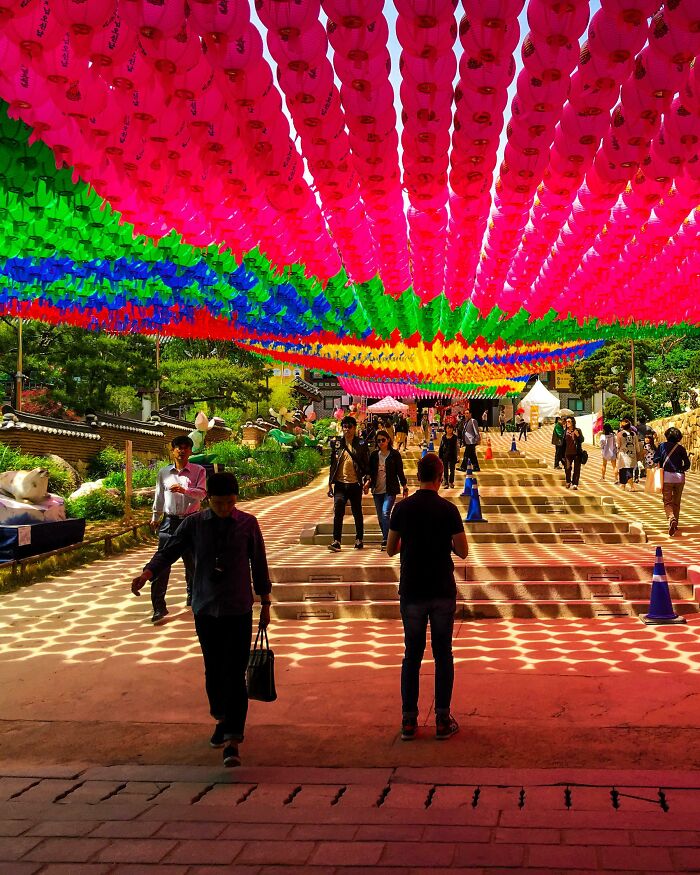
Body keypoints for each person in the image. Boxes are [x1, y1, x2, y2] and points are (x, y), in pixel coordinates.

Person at [131, 472, 271, 768]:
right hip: (206, 607)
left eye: (231, 502)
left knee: (234, 672)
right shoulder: (194, 525)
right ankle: (220, 716)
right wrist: (148, 573)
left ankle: (233, 739)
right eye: (219, 503)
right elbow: (168, 551)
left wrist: (266, 600)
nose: (225, 508)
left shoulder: (247, 523)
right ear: (209, 500)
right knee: (213, 668)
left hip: (238, 608)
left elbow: (258, 562)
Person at [387, 453, 468, 741]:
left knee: (412, 654)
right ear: (440, 474)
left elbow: (390, 548)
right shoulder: (448, 510)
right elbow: (463, 550)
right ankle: (442, 720)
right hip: (441, 588)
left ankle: (409, 720)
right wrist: (442, 540)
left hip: (412, 588)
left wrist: (412, 540)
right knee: (442, 654)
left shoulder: (402, 508)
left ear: (417, 475)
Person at [148, 435, 207, 623]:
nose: (181, 451)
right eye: (178, 448)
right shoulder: (164, 473)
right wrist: (155, 517)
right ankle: (158, 607)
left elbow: (202, 494)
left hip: (192, 521)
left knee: (193, 563)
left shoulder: (198, 471)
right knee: (161, 563)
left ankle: (193, 595)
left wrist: (185, 491)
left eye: (185, 448)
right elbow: (159, 496)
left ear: (190, 451)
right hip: (170, 521)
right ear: (172, 450)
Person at [327, 415, 370, 552]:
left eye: (349, 427)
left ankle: (359, 539)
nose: (347, 429)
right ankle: (336, 541)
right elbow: (332, 464)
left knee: (357, 512)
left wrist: (367, 481)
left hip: (355, 484)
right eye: (344, 427)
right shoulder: (337, 443)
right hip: (340, 483)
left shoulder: (361, 444)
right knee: (338, 511)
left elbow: (366, 464)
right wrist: (329, 483)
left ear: (355, 428)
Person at [368, 430, 409, 550]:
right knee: (381, 517)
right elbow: (370, 472)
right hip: (377, 490)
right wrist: (367, 483)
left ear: (388, 440)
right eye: (378, 440)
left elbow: (399, 472)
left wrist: (404, 486)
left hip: (390, 489)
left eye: (383, 440)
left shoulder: (394, 454)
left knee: (385, 513)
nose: (381, 442)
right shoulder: (374, 456)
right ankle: (390, 538)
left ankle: (387, 540)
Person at [653, 426, 691, 536]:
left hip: (667, 477)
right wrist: (681, 470)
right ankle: (676, 523)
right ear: (678, 437)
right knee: (677, 502)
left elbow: (656, 459)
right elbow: (687, 464)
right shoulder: (681, 448)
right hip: (680, 478)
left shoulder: (662, 446)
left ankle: (671, 518)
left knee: (667, 501)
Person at [616, 416, 639, 491]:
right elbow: (637, 445)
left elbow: (618, 445)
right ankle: (623, 485)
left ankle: (632, 486)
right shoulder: (634, 434)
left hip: (623, 454)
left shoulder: (619, 434)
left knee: (624, 470)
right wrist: (638, 452)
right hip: (632, 454)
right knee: (629, 469)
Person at [562, 416, 584, 490]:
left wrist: (577, 435)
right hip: (568, 453)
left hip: (577, 453)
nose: (567, 423)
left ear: (573, 422)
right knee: (567, 468)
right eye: (566, 421)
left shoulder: (578, 430)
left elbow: (582, 440)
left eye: (569, 421)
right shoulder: (565, 431)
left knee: (577, 469)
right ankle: (568, 481)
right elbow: (562, 443)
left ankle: (575, 483)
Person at [438, 422, 459, 488]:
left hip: (453, 455)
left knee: (452, 470)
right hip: (445, 455)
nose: (449, 430)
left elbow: (457, 447)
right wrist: (440, 456)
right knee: (445, 469)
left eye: (451, 428)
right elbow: (441, 447)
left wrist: (458, 455)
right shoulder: (443, 437)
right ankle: (446, 482)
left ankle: (451, 482)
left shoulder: (455, 437)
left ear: (453, 429)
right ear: (446, 429)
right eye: (448, 428)